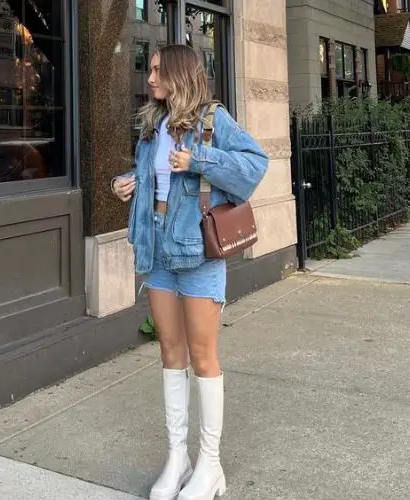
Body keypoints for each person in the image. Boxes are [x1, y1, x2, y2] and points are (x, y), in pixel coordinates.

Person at [112, 44, 268, 500]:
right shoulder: (152, 124)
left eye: (158, 70)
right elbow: (156, 176)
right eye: (151, 70)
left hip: (197, 253)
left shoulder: (213, 120)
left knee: (203, 356)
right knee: (170, 352)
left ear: (180, 73)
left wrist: (199, 160)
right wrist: (131, 181)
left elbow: (255, 166)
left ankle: (210, 465)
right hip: (158, 248)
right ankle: (177, 456)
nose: (150, 78)